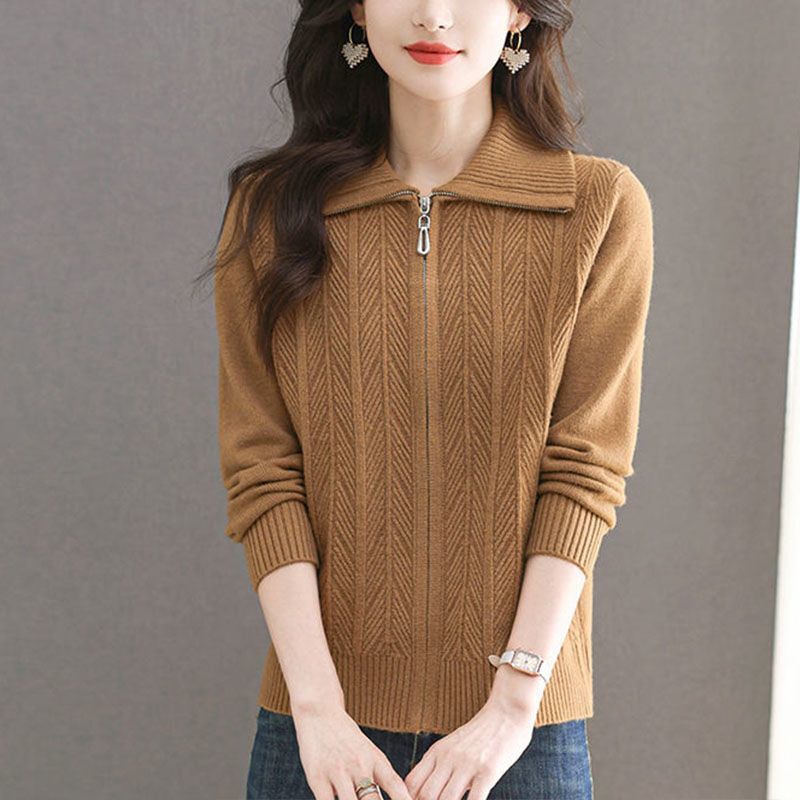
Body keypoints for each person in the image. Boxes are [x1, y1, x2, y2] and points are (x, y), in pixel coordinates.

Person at [205, 1, 654, 798]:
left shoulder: (596, 206)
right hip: (322, 732)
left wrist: (512, 706)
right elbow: (262, 471)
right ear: (356, 7)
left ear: (518, 12)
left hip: (518, 735)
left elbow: (585, 470)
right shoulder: (271, 211)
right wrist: (318, 711)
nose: (434, 16)